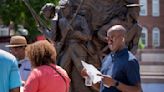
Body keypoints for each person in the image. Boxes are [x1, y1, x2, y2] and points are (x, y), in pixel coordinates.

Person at [82, 25, 142, 92]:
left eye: (112, 38)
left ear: (123, 39)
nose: (109, 42)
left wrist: (115, 83)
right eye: (108, 38)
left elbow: (137, 90)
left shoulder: (130, 61)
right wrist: (88, 77)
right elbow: (102, 88)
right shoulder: (107, 59)